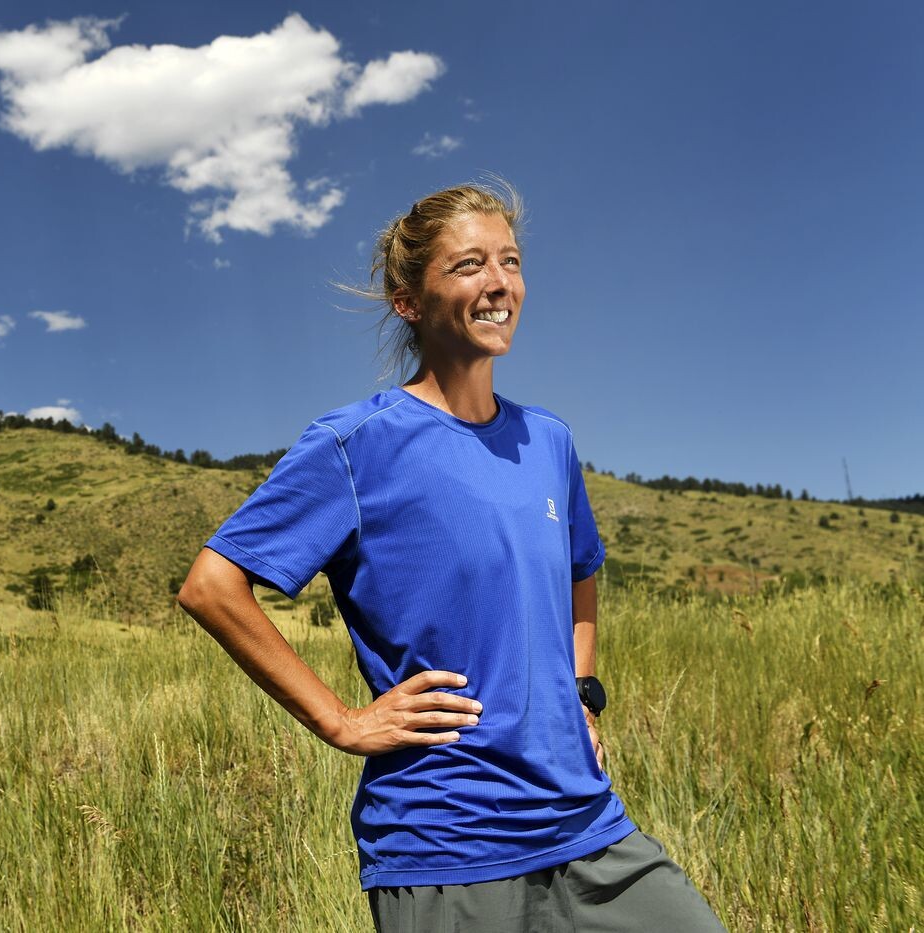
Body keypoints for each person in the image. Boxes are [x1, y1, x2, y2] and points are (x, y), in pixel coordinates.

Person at [175, 181, 725, 931]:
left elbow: (581, 568)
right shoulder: (355, 444)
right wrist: (342, 722)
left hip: (588, 825)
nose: (499, 283)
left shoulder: (549, 441)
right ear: (408, 301)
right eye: (469, 265)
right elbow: (211, 586)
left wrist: (583, 695)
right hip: (448, 840)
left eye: (510, 261)